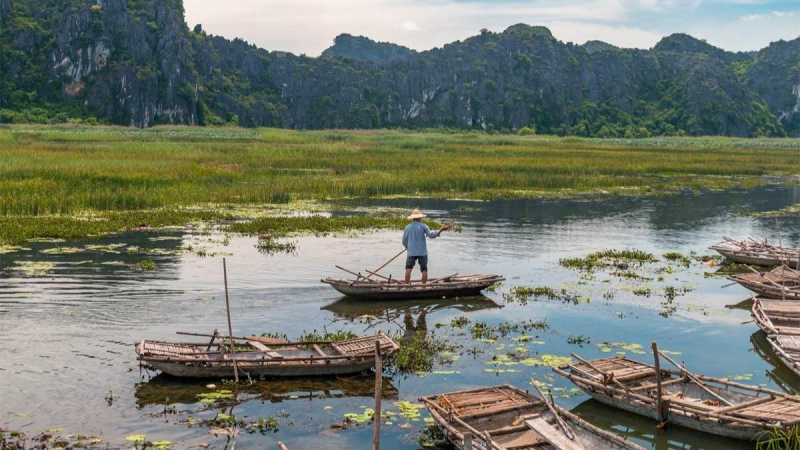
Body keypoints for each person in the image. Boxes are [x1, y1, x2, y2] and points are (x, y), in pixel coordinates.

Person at [402, 208, 450, 284]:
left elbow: (404, 241)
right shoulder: (423, 226)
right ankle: (424, 286)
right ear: (420, 217)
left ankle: (406, 286)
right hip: (422, 252)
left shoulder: (407, 228)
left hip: (411, 252)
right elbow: (431, 235)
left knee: (408, 269)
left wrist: (408, 247)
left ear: (413, 218)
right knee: (424, 269)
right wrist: (440, 230)